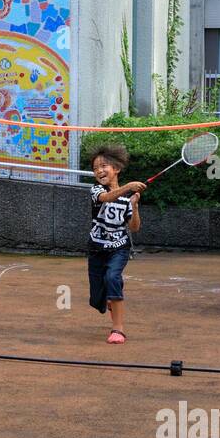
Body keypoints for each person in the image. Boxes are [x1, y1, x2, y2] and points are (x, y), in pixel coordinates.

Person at [87, 143, 146, 344]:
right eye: (95, 168)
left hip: (119, 248)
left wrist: (134, 206)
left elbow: (135, 227)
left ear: (116, 169)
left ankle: (118, 330)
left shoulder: (128, 198)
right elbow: (106, 198)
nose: (99, 171)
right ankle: (111, 298)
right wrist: (128, 187)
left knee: (113, 278)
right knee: (97, 300)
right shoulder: (96, 190)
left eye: (104, 166)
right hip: (96, 248)